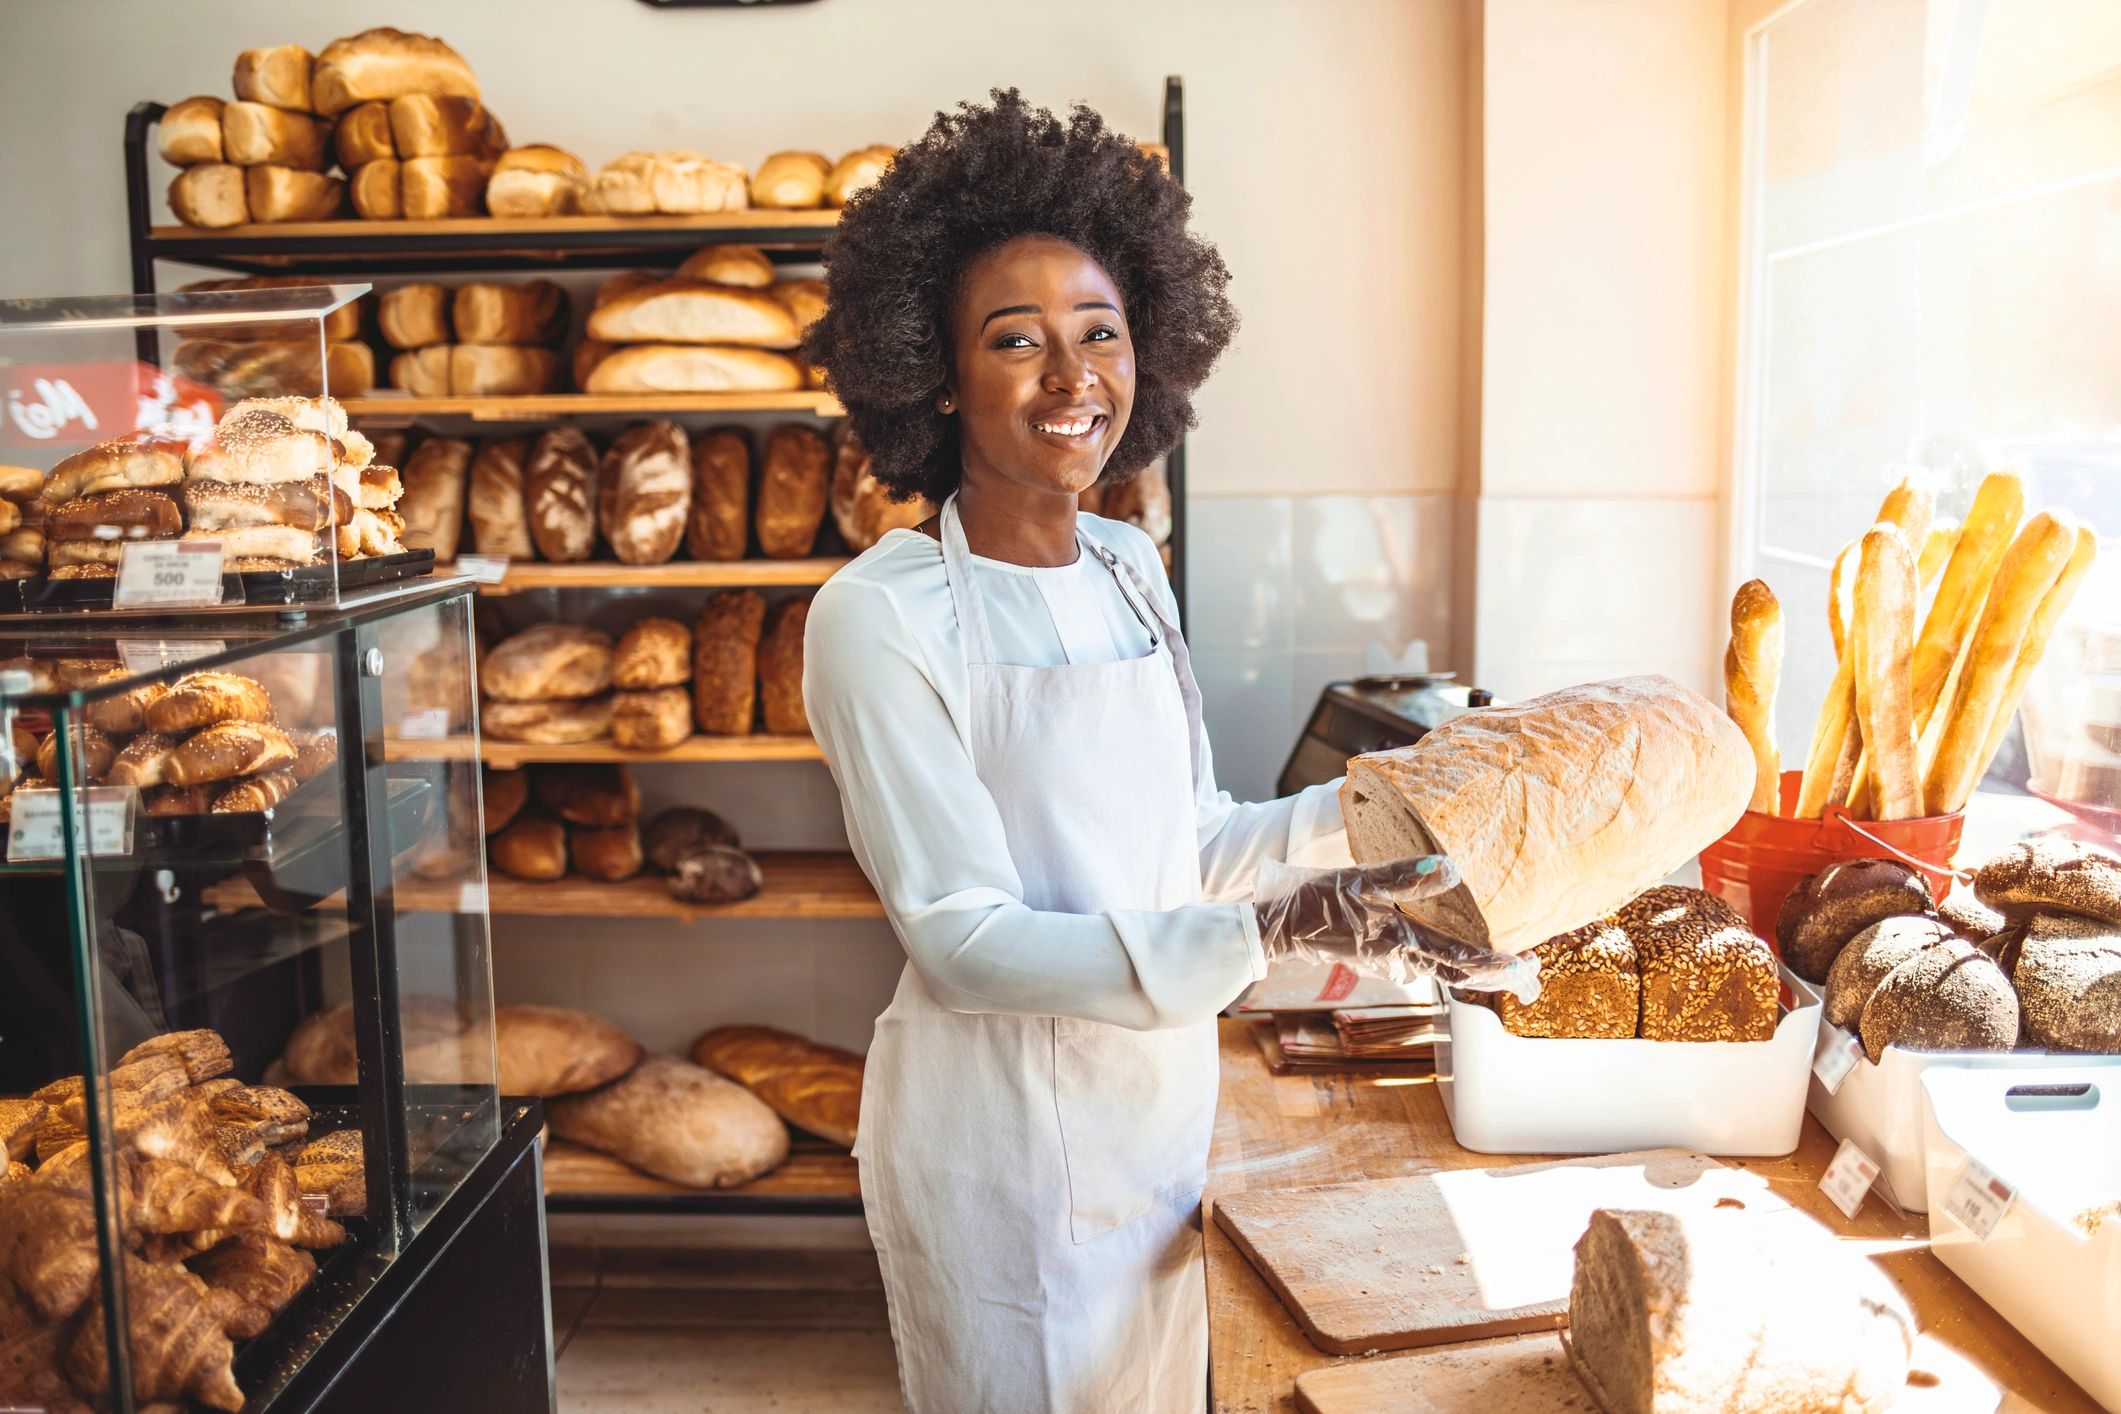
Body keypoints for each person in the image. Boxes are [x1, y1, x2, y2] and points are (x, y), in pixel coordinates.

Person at [802, 91, 1526, 1413]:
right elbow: (960, 936)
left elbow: (1185, 840)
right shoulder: (876, 614)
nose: (1072, 377)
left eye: (1100, 332)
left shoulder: (1133, 566)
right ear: (937, 371)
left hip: (1158, 1109)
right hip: (1002, 1151)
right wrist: (1272, 934)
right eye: (1014, 340)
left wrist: (1368, 814)